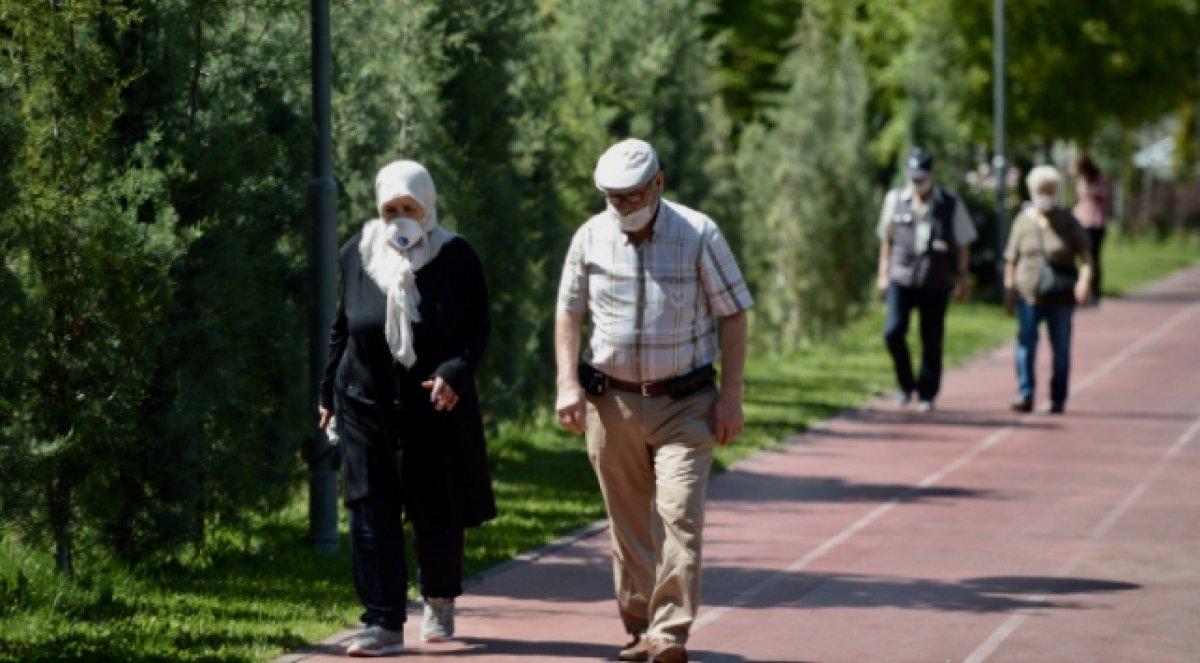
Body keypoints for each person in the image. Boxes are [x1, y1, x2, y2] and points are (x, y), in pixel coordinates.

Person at [554, 139, 753, 663]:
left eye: (632, 195)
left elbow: (734, 313)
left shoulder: (698, 234)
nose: (621, 206)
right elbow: (568, 310)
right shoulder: (591, 236)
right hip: (611, 403)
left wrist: (730, 398)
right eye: (612, 196)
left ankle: (670, 632)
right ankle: (639, 624)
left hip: (685, 403)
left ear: (658, 184)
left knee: (678, 515)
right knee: (627, 524)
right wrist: (566, 385)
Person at [318, 160, 496, 657]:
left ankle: (438, 598)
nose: (400, 218)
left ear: (429, 207)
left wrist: (453, 374)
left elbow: (475, 331)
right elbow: (342, 328)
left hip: (432, 406)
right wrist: (326, 393)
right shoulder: (358, 252)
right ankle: (382, 622)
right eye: (390, 209)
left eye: (409, 208)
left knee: (434, 510)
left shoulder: (456, 256)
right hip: (363, 403)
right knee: (368, 512)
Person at [876, 147, 977, 412]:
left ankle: (927, 392)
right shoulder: (894, 199)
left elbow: (964, 242)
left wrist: (962, 277)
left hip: (935, 279)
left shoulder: (950, 203)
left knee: (931, 337)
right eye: (912, 177)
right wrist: (883, 273)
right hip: (901, 277)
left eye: (921, 178)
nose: (917, 183)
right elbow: (886, 239)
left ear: (931, 175)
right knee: (893, 332)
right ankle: (905, 384)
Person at [1004, 165, 1094, 414]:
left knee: (1061, 347)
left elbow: (1086, 256)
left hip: (1061, 295)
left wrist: (1084, 281)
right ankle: (1025, 393)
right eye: (1040, 191)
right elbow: (1011, 258)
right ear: (1032, 192)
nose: (1045, 195)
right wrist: (1009, 289)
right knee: (1026, 343)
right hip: (1028, 294)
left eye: (1050, 191)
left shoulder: (1067, 221)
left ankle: (1058, 397)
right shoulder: (1022, 221)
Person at [1071, 154, 1109, 303]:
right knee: (1080, 256)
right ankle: (1081, 288)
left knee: (1093, 257)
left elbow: (1097, 195)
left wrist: (1085, 182)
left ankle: (1094, 290)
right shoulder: (1080, 180)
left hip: (1095, 223)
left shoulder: (1099, 178)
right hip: (1081, 222)